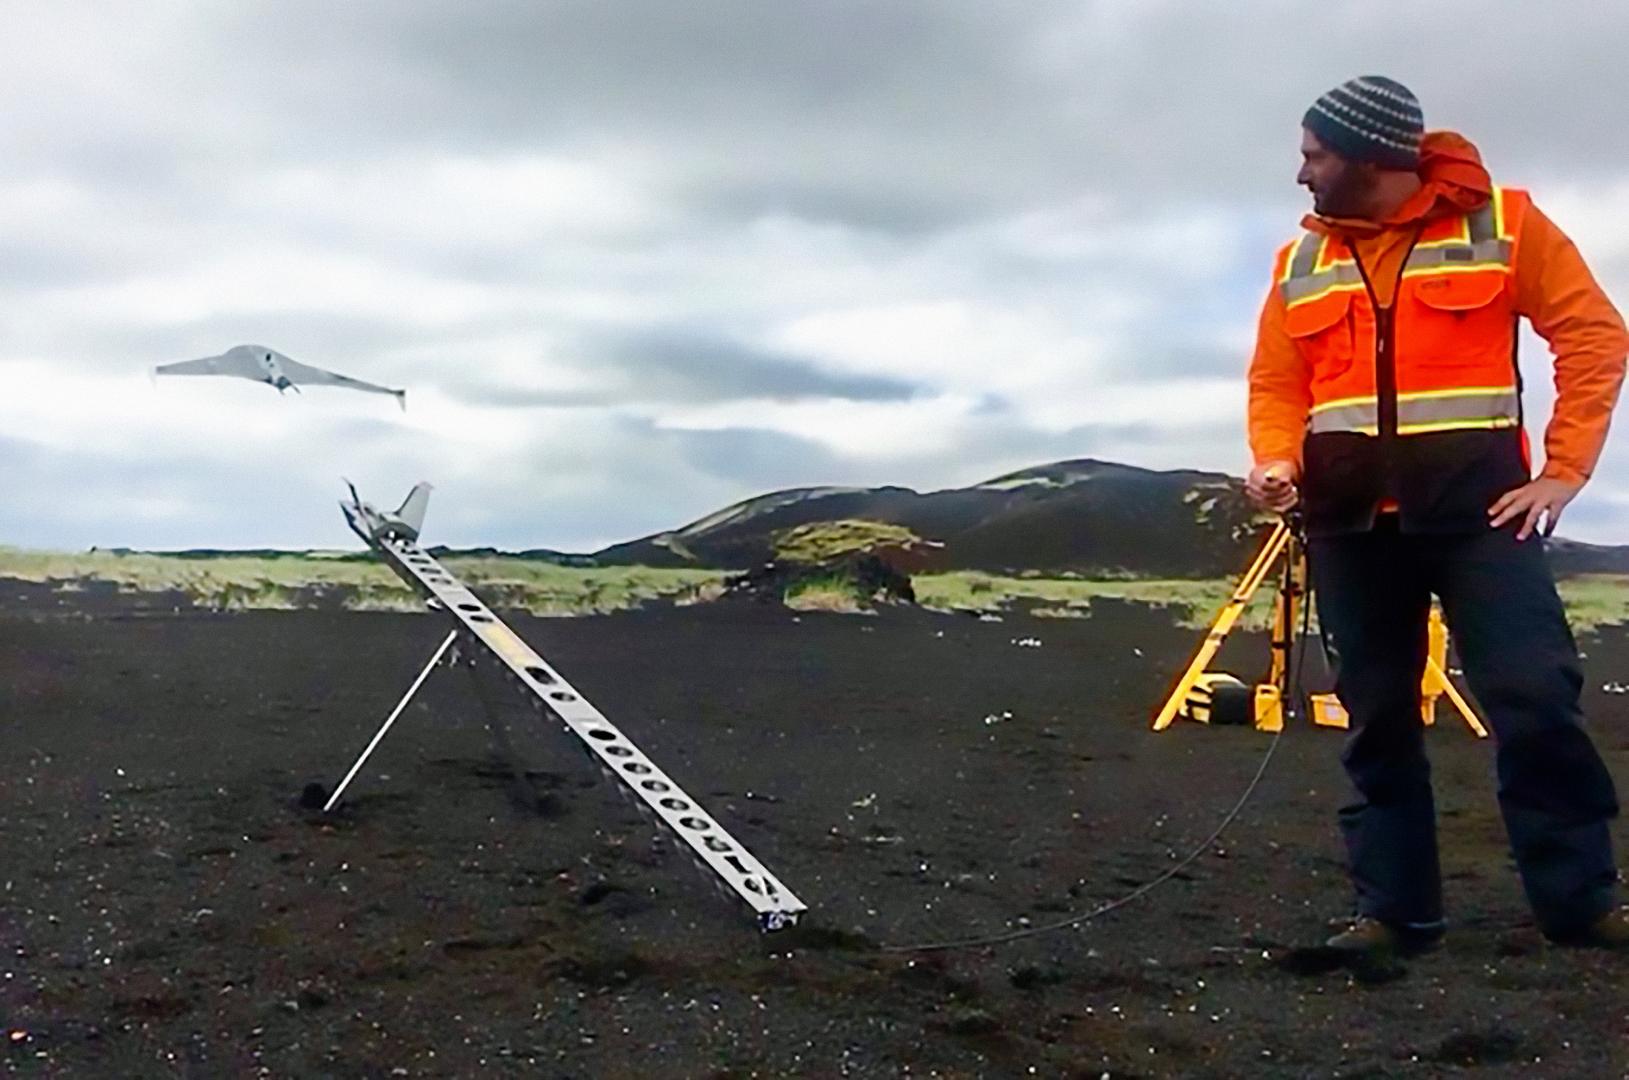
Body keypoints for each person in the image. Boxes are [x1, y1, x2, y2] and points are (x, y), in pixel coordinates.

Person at [1245, 76, 1628, 957]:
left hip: (1479, 516)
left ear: (1370, 157)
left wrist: (1564, 472)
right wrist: (1275, 459)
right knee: (1375, 716)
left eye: (1314, 155)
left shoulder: (1504, 223)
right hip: (1347, 523)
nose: (1300, 174)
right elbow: (1277, 380)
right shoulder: (1299, 261)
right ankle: (1395, 915)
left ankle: (1579, 905)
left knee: (1534, 697)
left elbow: (1592, 336)